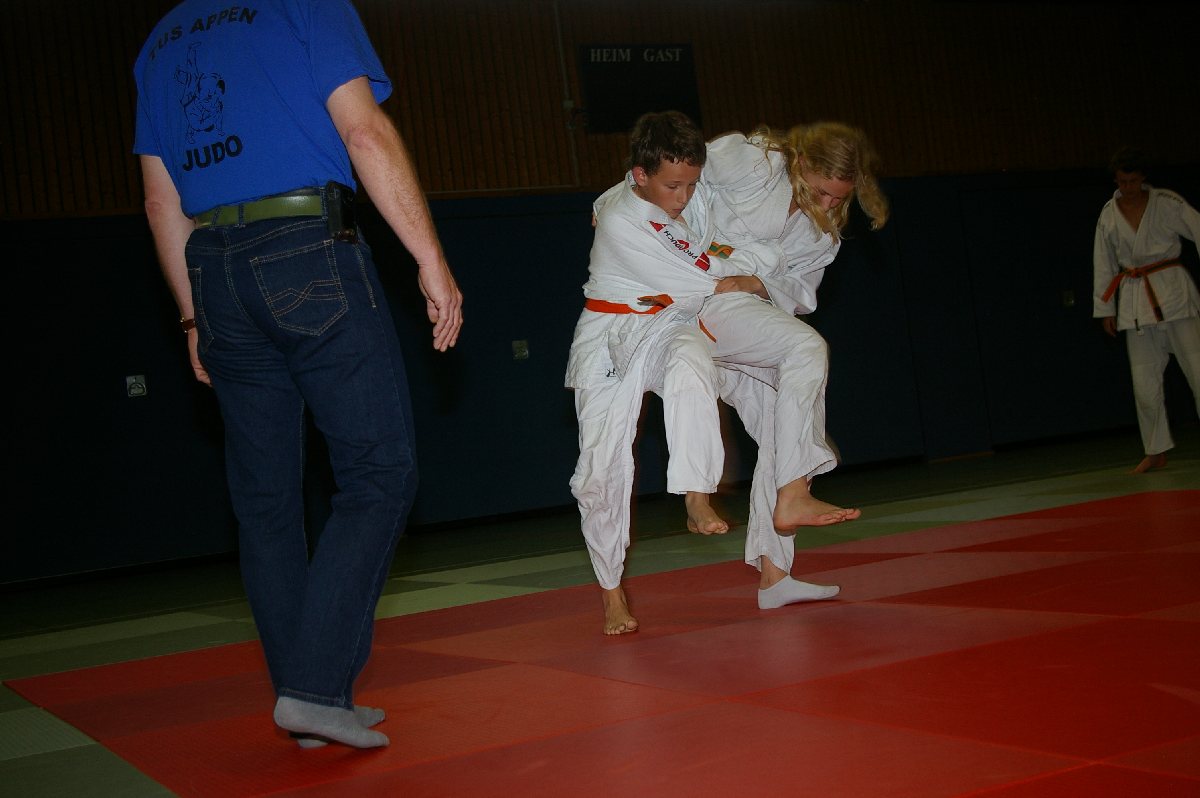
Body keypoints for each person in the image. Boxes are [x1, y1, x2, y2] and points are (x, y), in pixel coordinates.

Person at [133, 0, 462, 749]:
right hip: (305, 249)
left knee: (265, 502)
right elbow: (363, 131)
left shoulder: (161, 40)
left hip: (213, 271)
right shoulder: (306, 6)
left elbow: (159, 201)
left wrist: (192, 319)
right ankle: (315, 689)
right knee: (379, 473)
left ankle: (308, 699)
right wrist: (430, 258)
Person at [701, 122, 889, 609]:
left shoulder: (823, 235)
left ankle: (775, 576)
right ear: (801, 164)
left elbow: (802, 292)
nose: (828, 204)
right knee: (806, 349)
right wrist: (620, 202)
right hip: (692, 297)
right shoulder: (753, 161)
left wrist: (758, 284)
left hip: (746, 317)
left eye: (839, 198)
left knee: (783, 431)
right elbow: (673, 167)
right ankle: (794, 493)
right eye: (822, 192)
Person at [1092, 147, 1200, 473]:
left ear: (1143, 178)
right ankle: (1155, 450)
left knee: (1198, 374)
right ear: (1115, 180)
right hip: (1136, 302)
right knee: (1144, 386)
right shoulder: (1108, 215)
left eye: (1133, 181)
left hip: (1174, 295)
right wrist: (1105, 308)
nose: (1128, 187)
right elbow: (1103, 263)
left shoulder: (1167, 203)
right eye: (1122, 182)